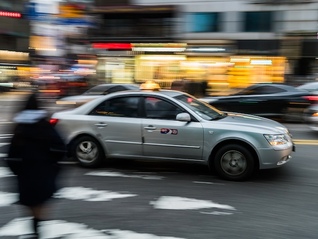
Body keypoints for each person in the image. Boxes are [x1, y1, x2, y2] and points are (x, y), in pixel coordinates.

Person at [5, 93, 66, 239]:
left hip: (25, 173)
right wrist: (53, 164)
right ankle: (37, 225)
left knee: (30, 202)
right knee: (41, 201)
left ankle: (34, 227)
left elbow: (12, 155)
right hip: (44, 171)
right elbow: (60, 147)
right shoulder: (44, 125)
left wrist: (17, 170)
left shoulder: (19, 128)